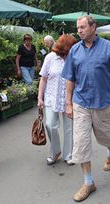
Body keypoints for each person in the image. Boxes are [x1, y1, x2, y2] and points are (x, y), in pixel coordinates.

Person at [62, 16, 110, 202]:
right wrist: (68, 102)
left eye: (82, 27)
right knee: (81, 143)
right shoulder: (74, 50)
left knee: (106, 136)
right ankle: (88, 182)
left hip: (103, 102)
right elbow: (70, 78)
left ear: (93, 27)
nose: (79, 30)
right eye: (78, 28)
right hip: (81, 102)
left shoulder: (109, 48)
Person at [37, 34, 77, 166]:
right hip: (51, 97)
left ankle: (69, 155)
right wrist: (40, 97)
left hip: (69, 98)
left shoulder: (74, 58)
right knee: (50, 125)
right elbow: (43, 78)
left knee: (69, 127)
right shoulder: (50, 58)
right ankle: (55, 151)